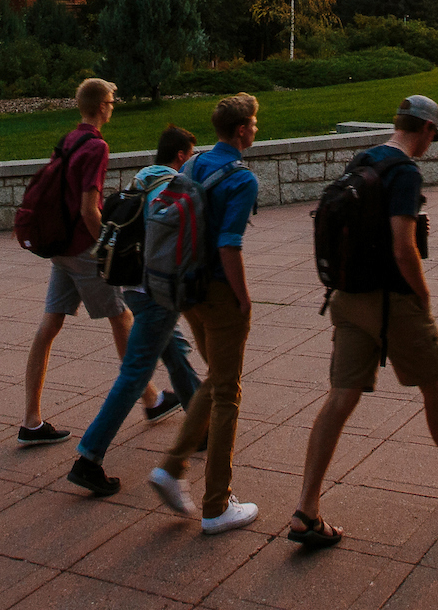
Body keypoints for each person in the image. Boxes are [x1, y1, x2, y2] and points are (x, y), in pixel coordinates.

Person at [287, 96, 438, 549]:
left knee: (339, 399)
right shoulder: (405, 172)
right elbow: (402, 246)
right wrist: (422, 296)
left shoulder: (364, 158)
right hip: (393, 302)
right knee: (434, 386)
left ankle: (306, 510)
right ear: (427, 130)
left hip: (347, 298)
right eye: (433, 136)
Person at [19, 79, 165, 444]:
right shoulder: (97, 146)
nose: (113, 106)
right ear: (101, 106)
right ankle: (152, 399)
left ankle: (31, 422)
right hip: (82, 249)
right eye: (112, 102)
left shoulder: (69, 139)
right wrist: (107, 244)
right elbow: (88, 209)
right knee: (122, 316)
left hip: (60, 248)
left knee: (49, 325)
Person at [66, 126, 204, 497]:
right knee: (133, 375)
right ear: (180, 155)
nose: (191, 161)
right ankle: (88, 458)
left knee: (175, 352)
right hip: (156, 291)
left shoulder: (141, 178)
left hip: (131, 285)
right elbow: (170, 239)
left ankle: (201, 423)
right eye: (190, 154)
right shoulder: (170, 185)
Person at [149, 94, 265, 535]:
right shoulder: (241, 178)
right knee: (228, 393)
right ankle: (217, 504)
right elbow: (228, 244)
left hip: (186, 289)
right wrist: (244, 298)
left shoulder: (191, 165)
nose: (255, 130)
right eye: (253, 124)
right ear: (240, 131)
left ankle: (172, 468)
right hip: (218, 292)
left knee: (215, 378)